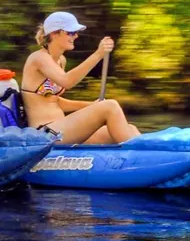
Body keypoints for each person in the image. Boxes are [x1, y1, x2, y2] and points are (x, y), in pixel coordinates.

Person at [20, 11, 140, 145]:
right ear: (54, 33)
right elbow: (67, 81)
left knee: (130, 128)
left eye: (76, 32)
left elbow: (54, 101)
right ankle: (140, 154)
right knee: (110, 106)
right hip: (46, 134)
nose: (76, 36)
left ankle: (151, 154)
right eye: (70, 32)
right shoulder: (38, 58)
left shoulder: (60, 60)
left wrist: (91, 105)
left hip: (62, 127)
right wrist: (98, 54)